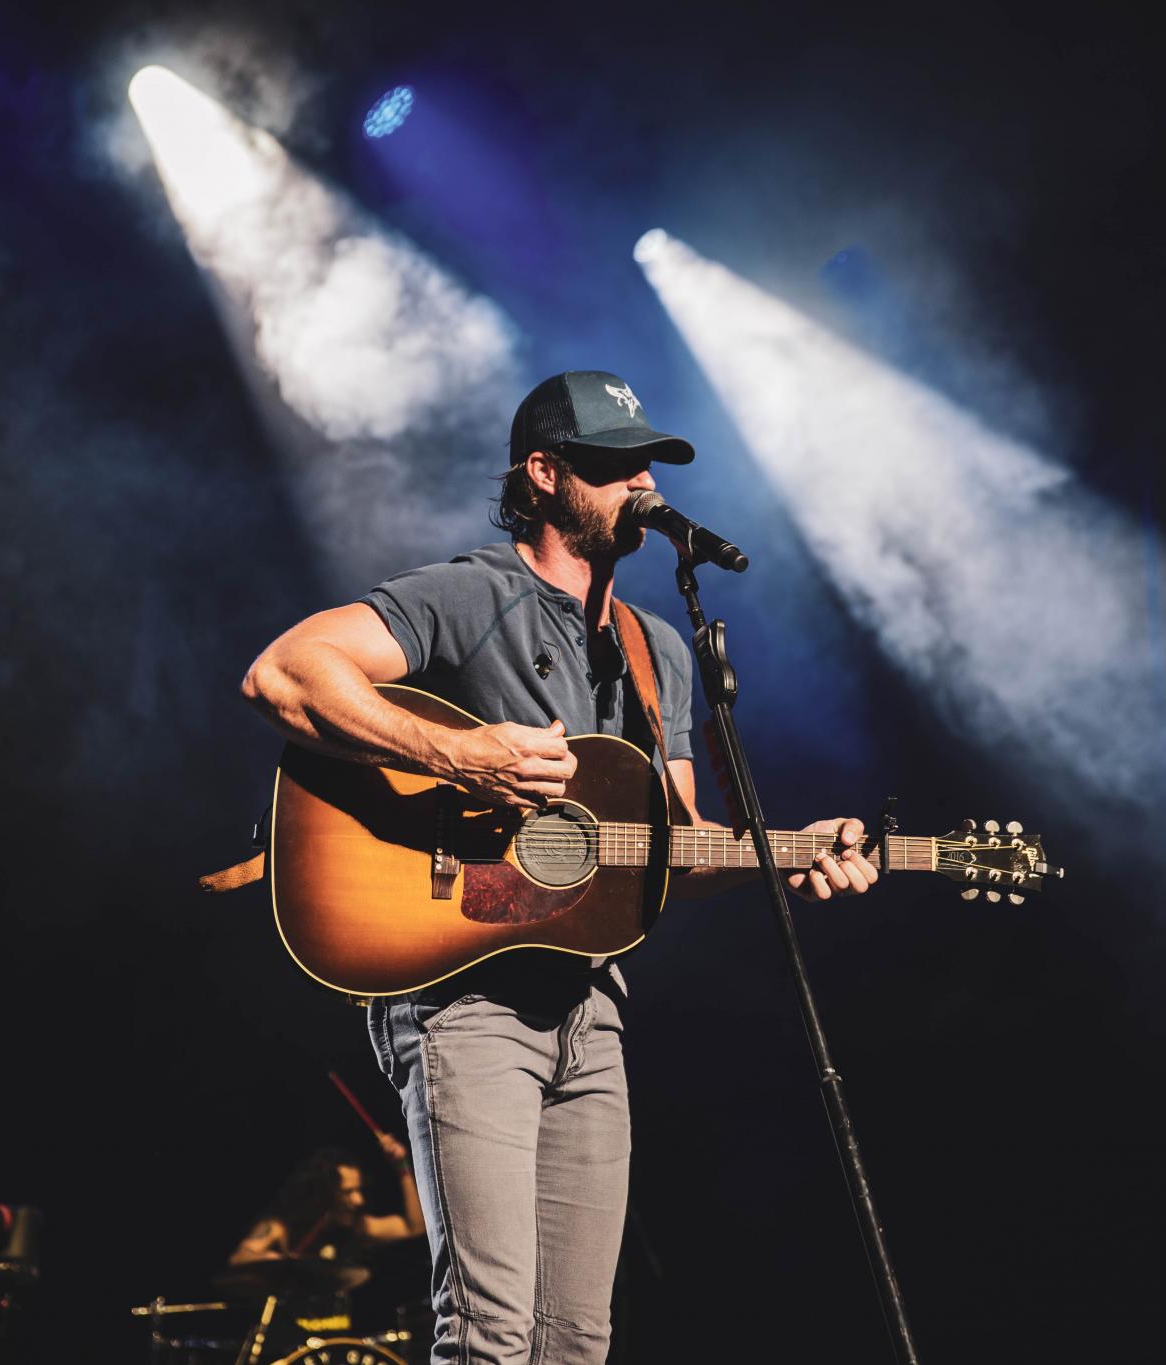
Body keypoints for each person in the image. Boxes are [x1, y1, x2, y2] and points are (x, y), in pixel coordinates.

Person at [240, 370, 879, 1364]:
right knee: (489, 1334)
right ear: (542, 474)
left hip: (592, 1008)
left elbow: (671, 847)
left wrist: (787, 854)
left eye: (647, 465)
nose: (640, 485)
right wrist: (457, 753)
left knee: (576, 1340)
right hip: (465, 996)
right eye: (612, 464)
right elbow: (282, 672)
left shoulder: (655, 645)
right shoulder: (469, 595)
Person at [225, 1130, 426, 1281]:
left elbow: (414, 1227)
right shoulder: (282, 1226)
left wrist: (402, 1166)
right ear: (326, 1193)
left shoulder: (358, 1226)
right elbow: (239, 1258)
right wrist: (277, 1261)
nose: (358, 1200)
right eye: (348, 1192)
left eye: (359, 1190)